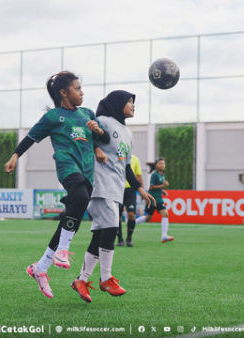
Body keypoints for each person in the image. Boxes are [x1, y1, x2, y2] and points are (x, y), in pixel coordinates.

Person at [4, 71, 110, 299]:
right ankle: (63, 251)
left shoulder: (88, 114)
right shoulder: (53, 117)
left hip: (87, 173)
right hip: (67, 167)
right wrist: (15, 155)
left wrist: (98, 143)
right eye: (77, 89)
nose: (82, 92)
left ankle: (40, 268)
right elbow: (31, 137)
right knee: (80, 198)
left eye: (81, 88)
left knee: (70, 217)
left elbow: (100, 140)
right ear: (64, 93)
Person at [70, 90, 155, 303]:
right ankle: (106, 278)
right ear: (117, 104)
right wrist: (96, 147)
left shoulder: (128, 133)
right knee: (112, 228)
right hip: (99, 185)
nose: (133, 105)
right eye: (129, 101)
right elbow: (83, 136)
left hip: (116, 189)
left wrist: (140, 188)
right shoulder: (103, 120)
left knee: (100, 235)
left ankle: (81, 280)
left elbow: (126, 166)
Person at [135, 158, 174, 243]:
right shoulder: (154, 174)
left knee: (165, 214)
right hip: (152, 200)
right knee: (148, 218)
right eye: (160, 163)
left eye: (163, 164)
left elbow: (158, 186)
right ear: (156, 165)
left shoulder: (162, 174)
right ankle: (132, 223)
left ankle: (164, 236)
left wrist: (162, 191)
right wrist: (162, 185)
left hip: (159, 199)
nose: (162, 165)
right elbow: (151, 187)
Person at [116, 154, 143, 247]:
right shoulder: (116, 156)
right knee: (117, 216)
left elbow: (138, 176)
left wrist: (141, 190)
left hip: (130, 190)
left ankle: (129, 238)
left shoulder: (135, 159)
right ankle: (120, 239)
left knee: (131, 214)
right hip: (117, 189)